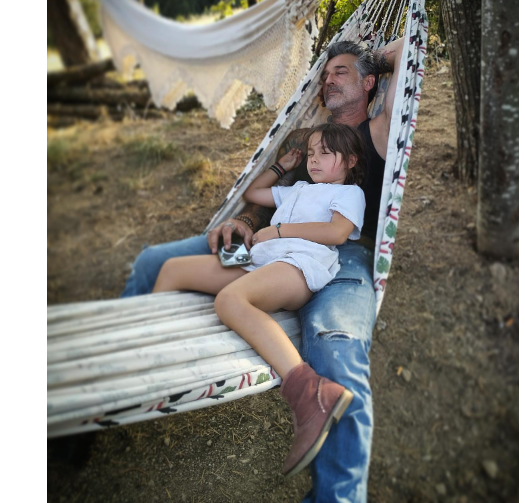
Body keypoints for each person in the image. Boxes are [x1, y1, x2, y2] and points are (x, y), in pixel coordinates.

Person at [122, 37, 405, 502]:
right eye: (325, 72)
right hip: (264, 243)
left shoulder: (375, 132)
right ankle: (127, 372)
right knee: (158, 262)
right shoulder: (304, 140)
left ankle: (336, 490)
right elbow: (268, 199)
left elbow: (405, 53)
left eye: (342, 72)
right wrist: (244, 221)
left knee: (338, 348)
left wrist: (379, 54)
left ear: (370, 83)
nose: (328, 78)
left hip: (337, 254)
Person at [152, 123, 367, 477]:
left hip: (298, 265)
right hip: (259, 261)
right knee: (174, 269)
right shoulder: (298, 188)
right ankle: (156, 352)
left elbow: (335, 232)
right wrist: (283, 166)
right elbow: (254, 191)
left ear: (350, 161)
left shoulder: (348, 193)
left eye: (325, 154)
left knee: (229, 300)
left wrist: (278, 231)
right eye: (311, 153)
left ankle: (309, 393)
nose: (314, 160)